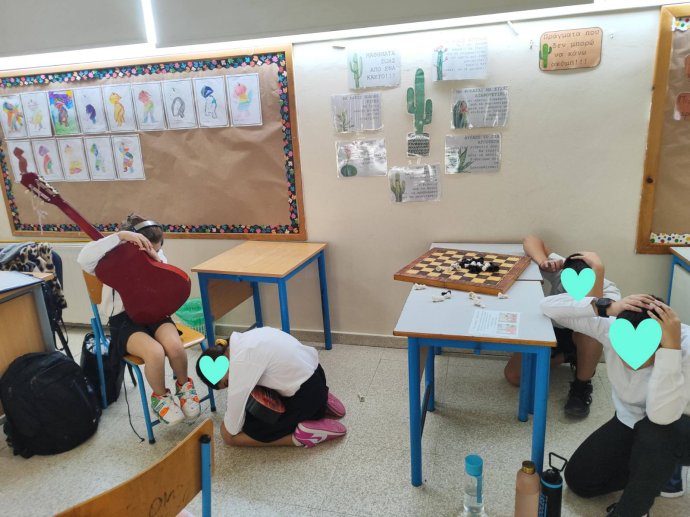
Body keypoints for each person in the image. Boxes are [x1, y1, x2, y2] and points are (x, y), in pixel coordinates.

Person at [541, 287, 690, 517]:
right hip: (632, 420)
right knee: (580, 480)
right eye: (624, 344)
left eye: (644, 348)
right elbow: (547, 306)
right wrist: (606, 306)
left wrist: (670, 351)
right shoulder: (614, 329)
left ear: (660, 341)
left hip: (677, 424)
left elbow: (661, 416)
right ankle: (661, 469)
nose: (631, 355)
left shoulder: (682, 347)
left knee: (654, 434)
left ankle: (632, 510)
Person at [77, 214, 200, 425]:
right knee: (155, 352)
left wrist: (156, 259)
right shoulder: (109, 256)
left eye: (158, 249)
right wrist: (120, 236)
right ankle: (161, 398)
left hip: (155, 312)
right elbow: (83, 259)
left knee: (175, 347)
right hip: (124, 320)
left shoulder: (157, 252)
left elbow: (165, 280)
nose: (157, 252)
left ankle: (184, 387)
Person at [503, 236, 621, 418]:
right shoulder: (565, 270)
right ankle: (568, 355)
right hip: (555, 331)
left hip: (584, 334)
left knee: (592, 332)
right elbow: (531, 240)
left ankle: (581, 386)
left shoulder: (610, 292)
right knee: (513, 376)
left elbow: (595, 316)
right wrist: (543, 262)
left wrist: (598, 269)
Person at [195, 326, 347, 448]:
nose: (231, 384)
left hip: (308, 396)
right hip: (317, 375)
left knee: (239, 433)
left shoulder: (240, 365)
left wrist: (226, 429)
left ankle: (301, 437)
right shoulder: (242, 340)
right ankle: (322, 403)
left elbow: (232, 429)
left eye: (227, 383)